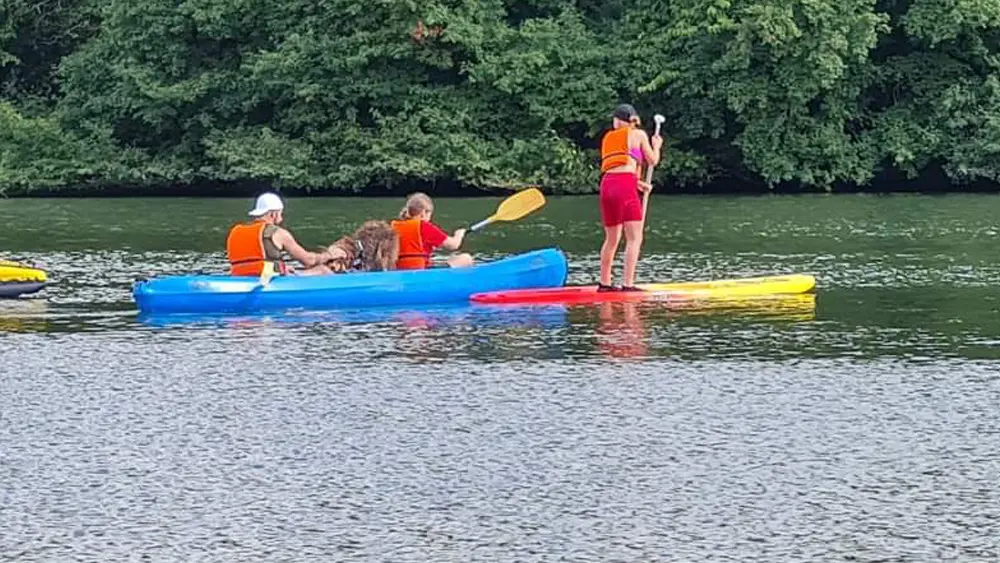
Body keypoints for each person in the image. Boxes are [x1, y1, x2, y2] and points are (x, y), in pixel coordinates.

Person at [598, 103, 662, 291]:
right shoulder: (639, 134)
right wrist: (656, 145)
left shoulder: (608, 137)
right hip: (624, 185)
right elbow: (652, 160)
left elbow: (620, 167)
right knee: (634, 237)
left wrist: (639, 184)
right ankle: (628, 284)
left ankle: (605, 283)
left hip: (607, 185)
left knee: (612, 239)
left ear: (618, 121)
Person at [226, 192, 342, 277]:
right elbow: (309, 260)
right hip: (265, 280)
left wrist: (283, 268)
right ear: (273, 214)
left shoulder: (236, 230)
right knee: (323, 270)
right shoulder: (278, 233)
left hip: (238, 277)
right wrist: (329, 255)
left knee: (291, 270)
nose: (281, 219)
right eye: (280, 214)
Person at [390, 192, 473, 270]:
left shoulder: (393, 226)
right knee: (466, 258)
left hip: (398, 270)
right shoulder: (424, 226)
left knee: (437, 260)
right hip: (421, 271)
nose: (429, 219)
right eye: (429, 215)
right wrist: (459, 234)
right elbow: (453, 245)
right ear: (423, 212)